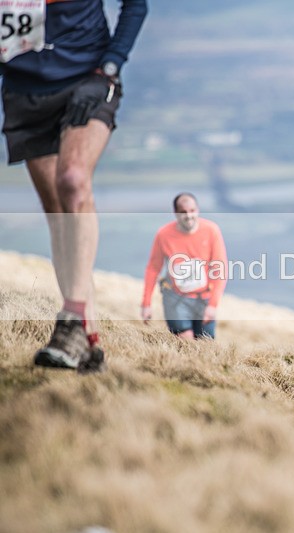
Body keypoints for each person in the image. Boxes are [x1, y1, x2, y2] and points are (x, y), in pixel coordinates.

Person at [1, 0, 148, 372]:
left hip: (88, 79)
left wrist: (110, 65)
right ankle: (87, 340)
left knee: (73, 181)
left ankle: (71, 321)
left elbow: (136, 4)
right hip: (25, 91)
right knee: (58, 213)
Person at [141, 193, 227, 339]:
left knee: (205, 345)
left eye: (192, 211)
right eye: (183, 212)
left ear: (198, 210)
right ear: (175, 213)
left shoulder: (212, 231)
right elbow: (153, 268)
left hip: (204, 298)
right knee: (186, 342)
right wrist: (146, 303)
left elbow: (220, 269)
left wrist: (213, 305)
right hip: (175, 298)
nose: (188, 216)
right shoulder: (163, 235)